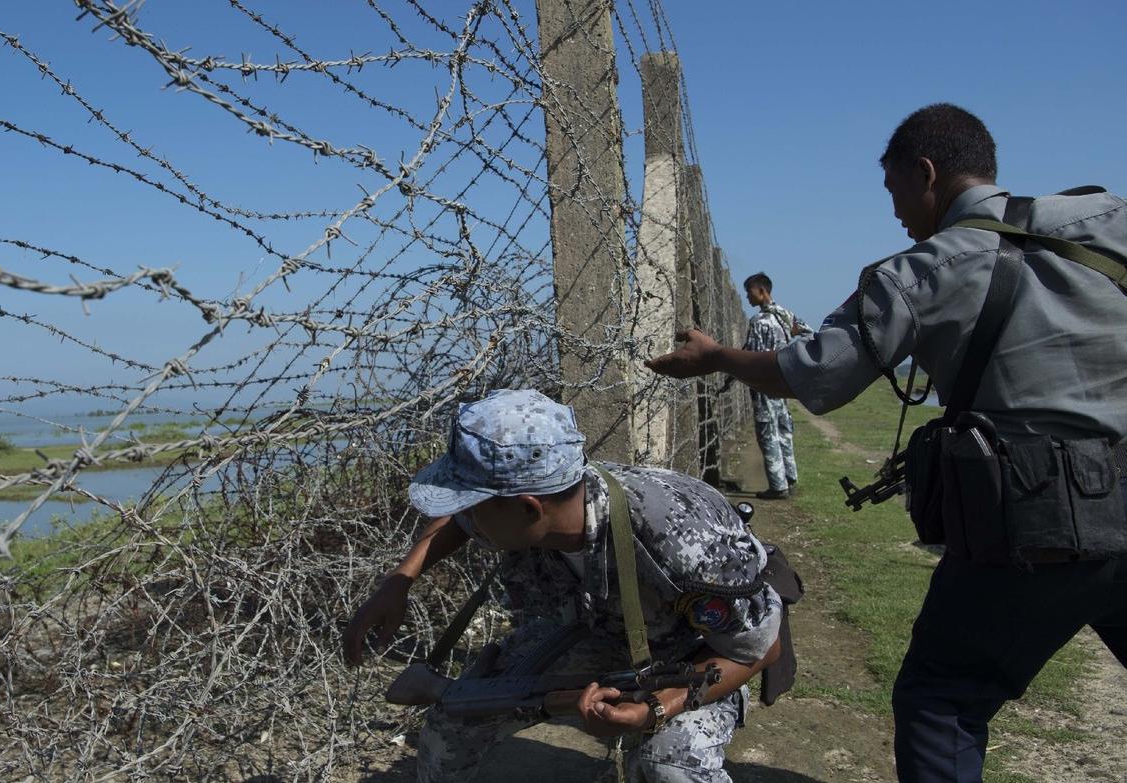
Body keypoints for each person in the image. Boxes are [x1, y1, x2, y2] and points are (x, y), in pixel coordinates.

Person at [645, 103, 1127, 782]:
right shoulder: (1106, 221)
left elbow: (812, 371)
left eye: (896, 192)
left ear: (926, 174)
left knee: (943, 699)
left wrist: (719, 356)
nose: (898, 213)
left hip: (1036, 518)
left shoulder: (925, 269)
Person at [342, 389, 782, 782]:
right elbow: (457, 524)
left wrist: (656, 709)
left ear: (530, 509)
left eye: (472, 506)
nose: (466, 519)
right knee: (453, 722)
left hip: (690, 655)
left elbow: (760, 649)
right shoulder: (535, 504)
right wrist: (399, 581)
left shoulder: (681, 543)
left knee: (669, 765)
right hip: (591, 630)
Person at [741, 272, 812, 500]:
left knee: (767, 432)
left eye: (749, 292)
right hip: (782, 381)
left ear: (762, 291)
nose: (747, 298)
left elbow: (749, 358)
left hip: (763, 383)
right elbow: (810, 332)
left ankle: (777, 486)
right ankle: (790, 478)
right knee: (783, 430)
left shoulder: (759, 322)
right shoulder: (785, 315)